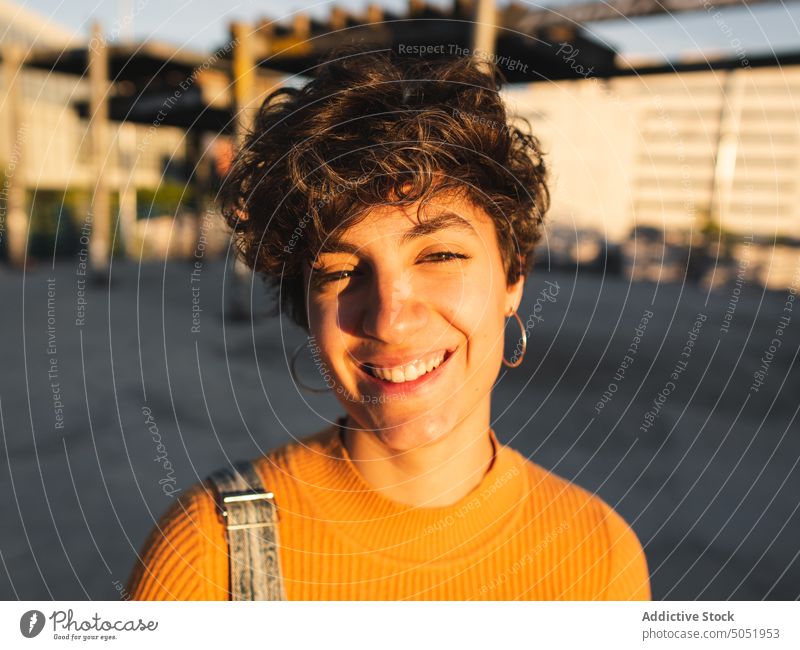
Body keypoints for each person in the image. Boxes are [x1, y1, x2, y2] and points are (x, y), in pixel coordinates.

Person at [126, 48, 651, 600]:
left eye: (439, 256)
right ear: (304, 309)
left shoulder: (598, 555)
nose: (391, 318)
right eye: (340, 270)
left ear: (513, 273)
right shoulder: (206, 554)